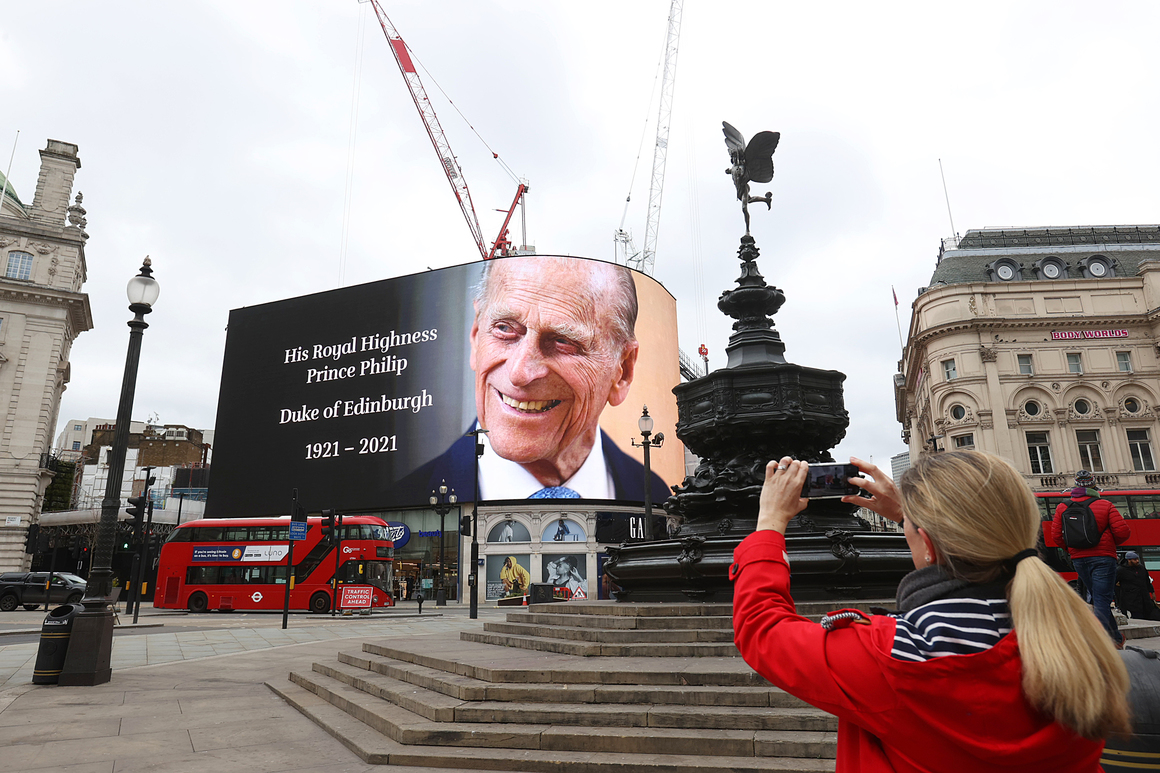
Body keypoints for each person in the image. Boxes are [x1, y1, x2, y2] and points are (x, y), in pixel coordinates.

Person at [733, 451, 1130, 772]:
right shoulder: (1081, 640)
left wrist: (769, 522)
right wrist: (914, 519)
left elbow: (761, 628)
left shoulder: (890, 656)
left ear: (926, 546)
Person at [397, 256, 669, 503]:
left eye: (563, 342)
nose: (519, 373)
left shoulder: (657, 497)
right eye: (504, 329)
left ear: (623, 370)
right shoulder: (403, 500)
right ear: (476, 335)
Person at [1051, 470, 1131, 645]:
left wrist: (1072, 549)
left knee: (1097, 597)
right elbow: (1123, 532)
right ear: (1094, 485)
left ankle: (1116, 639)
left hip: (1079, 559)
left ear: (1076, 486)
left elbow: (1056, 536)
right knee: (1102, 598)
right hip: (1103, 558)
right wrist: (1109, 543)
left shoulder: (1062, 507)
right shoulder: (1105, 505)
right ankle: (1099, 642)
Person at [1116, 551, 1160, 621]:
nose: (1137, 561)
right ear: (1129, 560)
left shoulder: (1141, 568)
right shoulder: (1121, 570)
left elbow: (1147, 581)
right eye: (1135, 559)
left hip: (1145, 598)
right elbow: (1114, 583)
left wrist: (1152, 592)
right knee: (1138, 617)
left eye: (1137, 559)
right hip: (1131, 599)